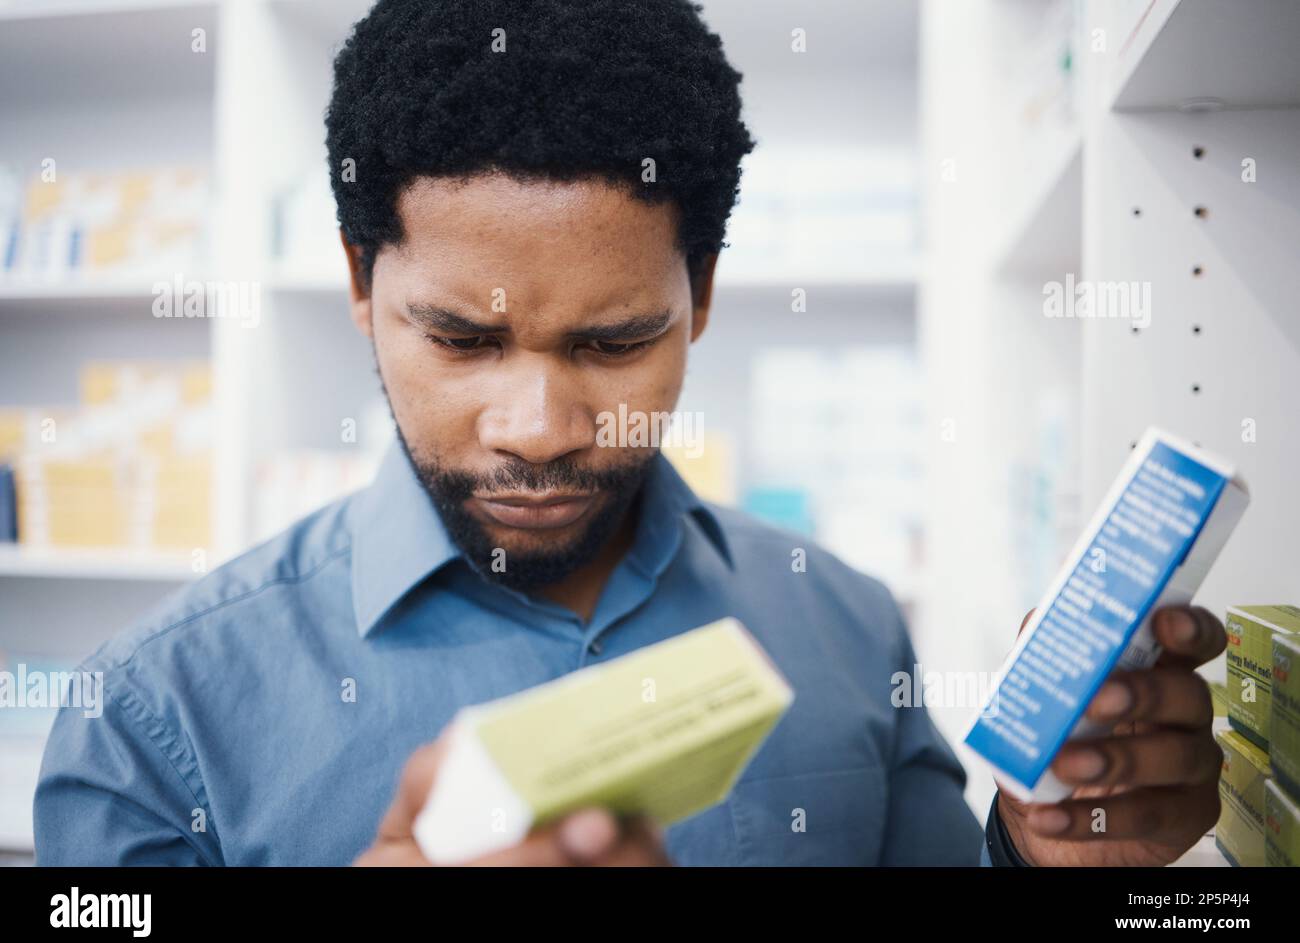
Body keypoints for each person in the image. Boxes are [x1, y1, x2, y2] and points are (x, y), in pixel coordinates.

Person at [34, 0, 1224, 867]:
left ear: (699, 293)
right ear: (360, 281)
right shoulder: (152, 715)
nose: (539, 430)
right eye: (461, 340)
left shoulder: (847, 621)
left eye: (610, 344)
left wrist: (1050, 860)